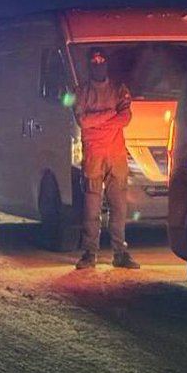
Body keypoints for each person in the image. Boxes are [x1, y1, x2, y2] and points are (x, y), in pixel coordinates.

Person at [73, 48, 140, 270]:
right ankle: (89, 253)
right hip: (94, 156)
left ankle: (120, 253)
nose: (98, 63)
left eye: (102, 60)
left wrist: (98, 122)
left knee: (119, 207)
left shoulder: (118, 89)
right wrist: (111, 113)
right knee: (91, 208)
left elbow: (126, 117)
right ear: (89, 64)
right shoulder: (82, 92)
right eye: (94, 60)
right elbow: (83, 122)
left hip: (116, 156)